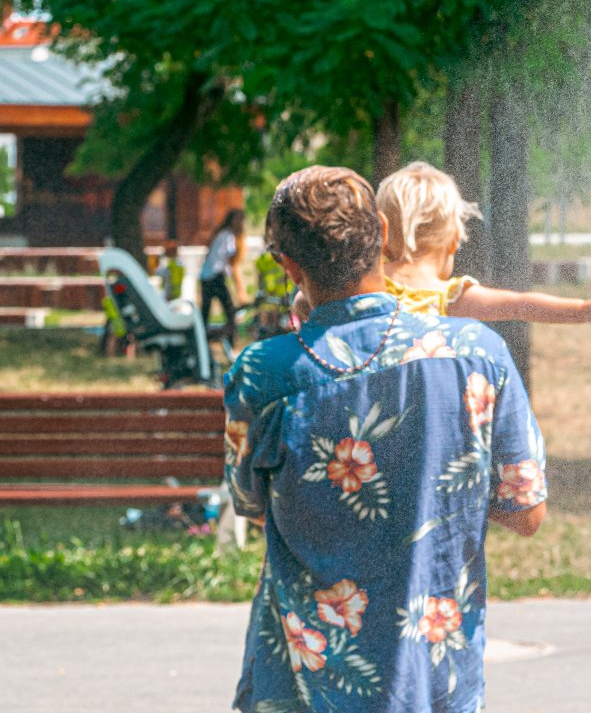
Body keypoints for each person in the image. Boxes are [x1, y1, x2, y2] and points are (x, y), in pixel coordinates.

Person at [224, 166, 547, 712]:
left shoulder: (262, 374)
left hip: (303, 684)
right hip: (430, 680)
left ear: (288, 263)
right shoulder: (476, 353)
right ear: (380, 229)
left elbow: (252, 505)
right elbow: (525, 512)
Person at [287, 161, 591, 328]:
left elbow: (305, 300)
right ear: (453, 241)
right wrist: (582, 311)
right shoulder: (449, 297)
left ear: (382, 230)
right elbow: (521, 304)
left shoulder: (368, 285)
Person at [200, 209, 246, 348]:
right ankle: (231, 345)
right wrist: (240, 290)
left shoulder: (220, 234)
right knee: (230, 312)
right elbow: (231, 264)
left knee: (205, 314)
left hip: (205, 276)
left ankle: (201, 342)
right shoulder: (228, 236)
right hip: (215, 277)